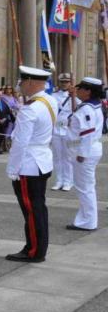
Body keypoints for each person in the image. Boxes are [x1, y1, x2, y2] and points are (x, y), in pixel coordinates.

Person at [6, 66, 56, 263]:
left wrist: (13, 168)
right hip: (42, 159)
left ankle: (34, 250)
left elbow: (20, 142)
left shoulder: (30, 108)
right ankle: (37, 247)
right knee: (38, 208)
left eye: (22, 82)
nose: (20, 85)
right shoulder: (49, 101)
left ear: (31, 82)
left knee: (32, 211)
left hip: (28, 164)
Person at [66, 77, 104, 231]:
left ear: (88, 91)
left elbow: (87, 133)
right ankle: (86, 219)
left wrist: (82, 154)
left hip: (85, 151)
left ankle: (87, 221)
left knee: (85, 188)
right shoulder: (93, 105)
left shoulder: (87, 109)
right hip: (89, 148)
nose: (78, 90)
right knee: (86, 187)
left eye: (80, 88)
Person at [51, 73, 75, 191]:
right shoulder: (53, 96)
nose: (64, 84)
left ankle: (68, 181)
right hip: (56, 129)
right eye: (62, 82)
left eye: (66, 81)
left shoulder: (75, 97)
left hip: (68, 130)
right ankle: (59, 180)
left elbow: (78, 112)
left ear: (70, 82)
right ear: (59, 83)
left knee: (68, 157)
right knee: (57, 157)